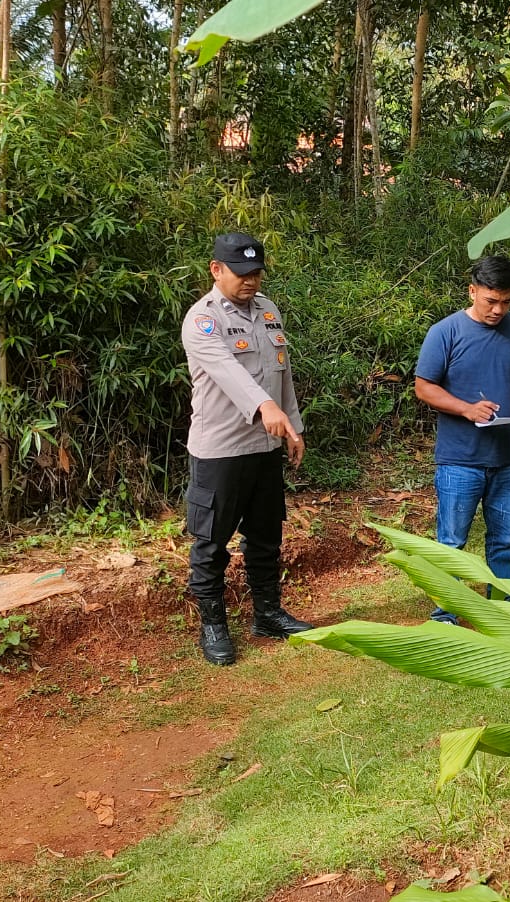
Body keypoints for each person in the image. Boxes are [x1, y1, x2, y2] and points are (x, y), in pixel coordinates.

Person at [181, 232, 313, 665]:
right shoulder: (202, 320)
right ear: (216, 270)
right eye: (241, 273)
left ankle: (268, 614)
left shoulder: (268, 311)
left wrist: (292, 427)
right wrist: (264, 407)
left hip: (264, 445)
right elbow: (228, 372)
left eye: (256, 273)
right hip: (220, 450)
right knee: (211, 543)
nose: (250, 281)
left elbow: (282, 374)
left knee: (265, 535)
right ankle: (213, 626)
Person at [414, 255, 510, 623]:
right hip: (459, 459)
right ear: (472, 291)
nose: (498, 310)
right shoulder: (446, 332)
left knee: (505, 540)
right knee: (452, 542)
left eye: (506, 302)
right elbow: (424, 387)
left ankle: (502, 609)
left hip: (507, 459)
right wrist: (466, 409)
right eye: (491, 300)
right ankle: (447, 614)